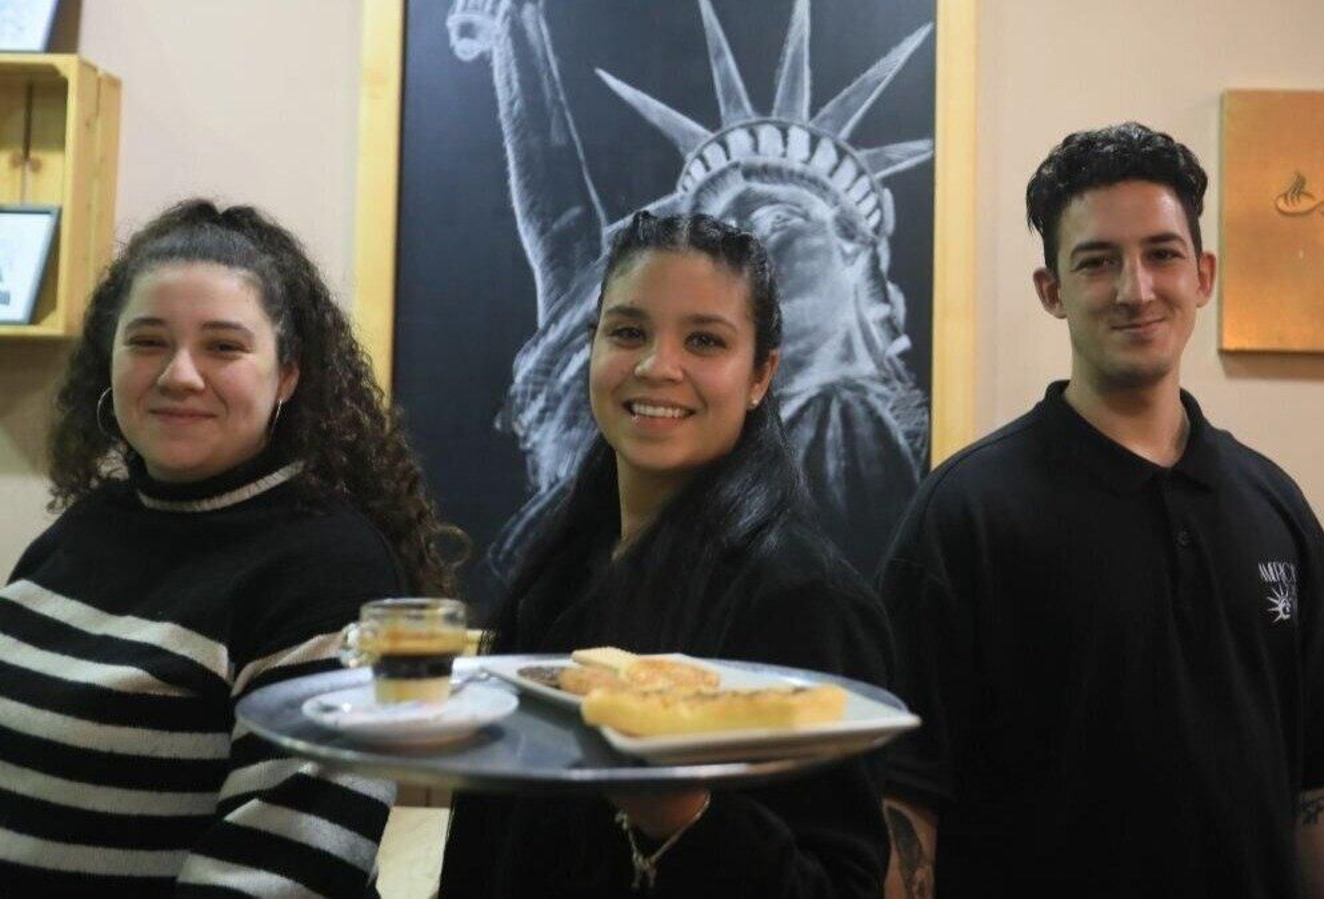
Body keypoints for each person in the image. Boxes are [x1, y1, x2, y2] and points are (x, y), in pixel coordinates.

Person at [878, 123, 1324, 898]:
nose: (1136, 288)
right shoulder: (966, 517)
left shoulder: (1272, 506)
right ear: (1050, 290)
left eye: (1162, 254)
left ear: (1204, 274)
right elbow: (904, 800)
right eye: (1097, 262)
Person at [0, 200, 461, 895]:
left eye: (224, 346)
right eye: (148, 340)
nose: (180, 374)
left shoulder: (334, 572)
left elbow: (286, 870)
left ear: (288, 375)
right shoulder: (84, 527)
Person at [438, 211, 893, 898]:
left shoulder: (804, 597)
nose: (657, 367)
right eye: (628, 332)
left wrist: (682, 815)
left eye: (705, 340)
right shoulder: (559, 569)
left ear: (761, 374)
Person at [446, 0, 929, 581]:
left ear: (851, 254)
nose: (747, 268)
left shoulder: (844, 433)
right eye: (627, 332)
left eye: (777, 224)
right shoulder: (625, 479)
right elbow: (560, 222)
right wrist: (511, 30)